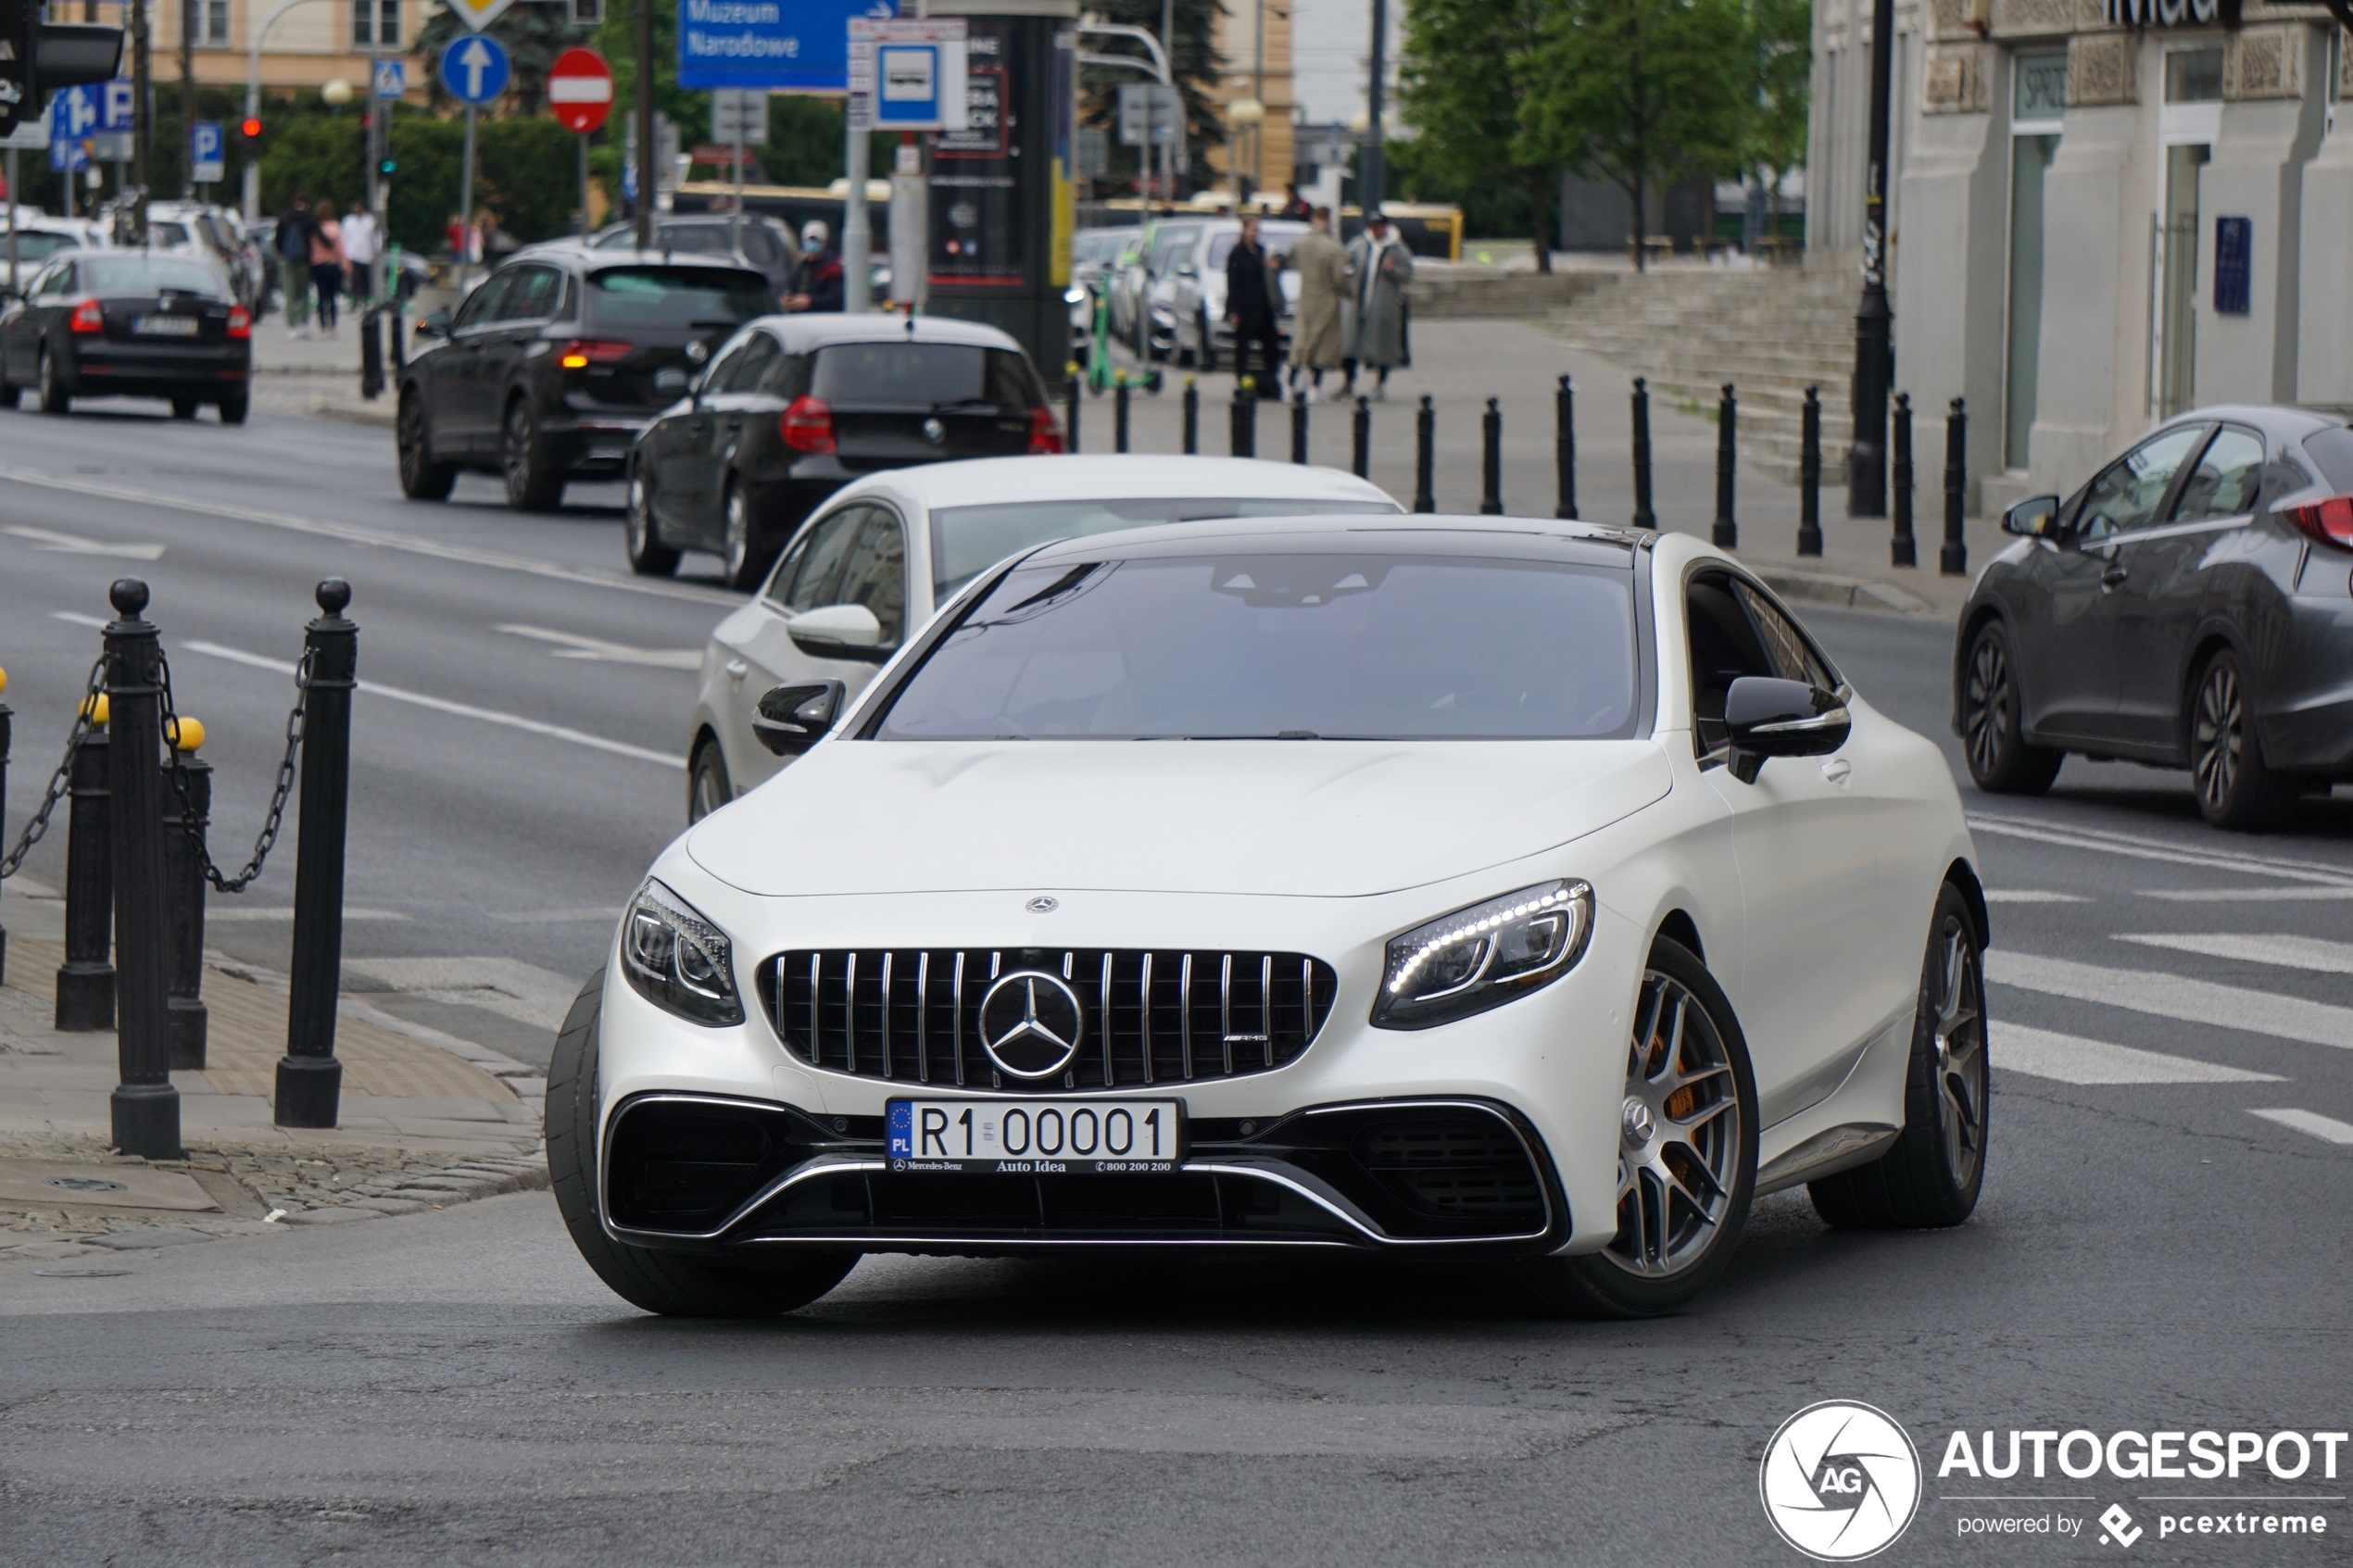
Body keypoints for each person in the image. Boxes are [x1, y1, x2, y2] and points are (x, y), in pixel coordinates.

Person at [1344, 210, 1412, 399]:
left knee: (1383, 345)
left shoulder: (1397, 249)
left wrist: (1392, 271)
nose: (1375, 230)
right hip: (1358, 302)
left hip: (1383, 303)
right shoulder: (1359, 245)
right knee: (1350, 343)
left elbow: (1407, 273)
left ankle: (1380, 384)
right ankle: (1348, 381)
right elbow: (1346, 264)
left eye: (1379, 226)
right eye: (1372, 226)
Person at [1285, 206, 1349, 403]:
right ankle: (1314, 387)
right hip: (1326, 300)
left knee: (1301, 342)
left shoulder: (1299, 242)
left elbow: (1289, 260)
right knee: (1321, 345)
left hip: (1305, 298)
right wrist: (1348, 293)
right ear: (1328, 220)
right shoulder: (1335, 248)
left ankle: (1290, 384)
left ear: (1313, 218)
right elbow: (1339, 279)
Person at [1223, 215, 1281, 400]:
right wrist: (1234, 310)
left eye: (1257, 230)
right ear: (1245, 231)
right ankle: (1243, 381)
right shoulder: (1237, 254)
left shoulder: (1262, 252)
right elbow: (1233, 283)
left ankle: (1270, 380)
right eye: (1252, 229)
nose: (1255, 233)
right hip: (1245, 306)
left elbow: (1270, 278)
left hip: (1263, 307)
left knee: (1270, 345)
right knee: (1243, 347)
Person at [785, 220, 844, 313]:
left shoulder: (833, 268)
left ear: (825, 241)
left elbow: (836, 299)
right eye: (809, 240)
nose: (812, 244)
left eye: (816, 240)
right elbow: (791, 286)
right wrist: (789, 299)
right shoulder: (800, 265)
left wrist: (811, 301)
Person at [276, 193, 313, 339]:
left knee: (289, 293)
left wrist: (280, 252)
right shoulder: (309, 218)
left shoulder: (285, 217)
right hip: (304, 260)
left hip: (288, 259)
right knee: (304, 292)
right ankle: (303, 324)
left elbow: (278, 238)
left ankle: (291, 326)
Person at [308, 199, 346, 337]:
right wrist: (345, 263)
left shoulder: (315, 230)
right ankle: (333, 327)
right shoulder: (336, 227)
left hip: (318, 265)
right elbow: (341, 248)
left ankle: (323, 327)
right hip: (333, 264)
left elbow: (311, 249)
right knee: (333, 297)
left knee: (321, 296)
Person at [341, 201, 379, 307]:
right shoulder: (348, 221)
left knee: (365, 279)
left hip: (366, 255)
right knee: (355, 279)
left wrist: (375, 249)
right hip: (352, 255)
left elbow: (376, 237)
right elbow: (344, 237)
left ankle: (366, 299)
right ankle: (356, 300)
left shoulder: (370, 221)